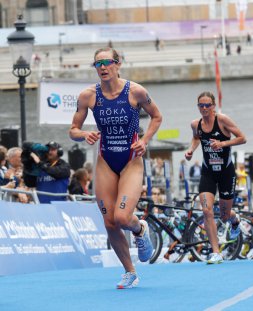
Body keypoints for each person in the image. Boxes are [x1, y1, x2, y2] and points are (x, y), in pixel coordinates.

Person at [69, 47, 162, 289]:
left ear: (118, 64)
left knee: (122, 217)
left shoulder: (136, 91)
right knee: (109, 222)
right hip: (106, 160)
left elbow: (157, 116)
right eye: (97, 64)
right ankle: (130, 271)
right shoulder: (88, 96)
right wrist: (84, 135)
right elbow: (73, 130)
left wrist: (144, 141)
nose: (102, 67)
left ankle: (139, 228)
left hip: (131, 159)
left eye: (107, 62)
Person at [185, 91, 246, 264]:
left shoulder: (223, 120)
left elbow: (242, 138)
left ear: (213, 106)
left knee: (224, 216)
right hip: (208, 172)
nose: (204, 109)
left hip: (226, 172)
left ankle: (235, 220)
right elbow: (196, 138)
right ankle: (216, 252)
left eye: (207, 105)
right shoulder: (195, 124)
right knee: (206, 211)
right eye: (201, 106)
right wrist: (191, 150)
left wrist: (223, 143)